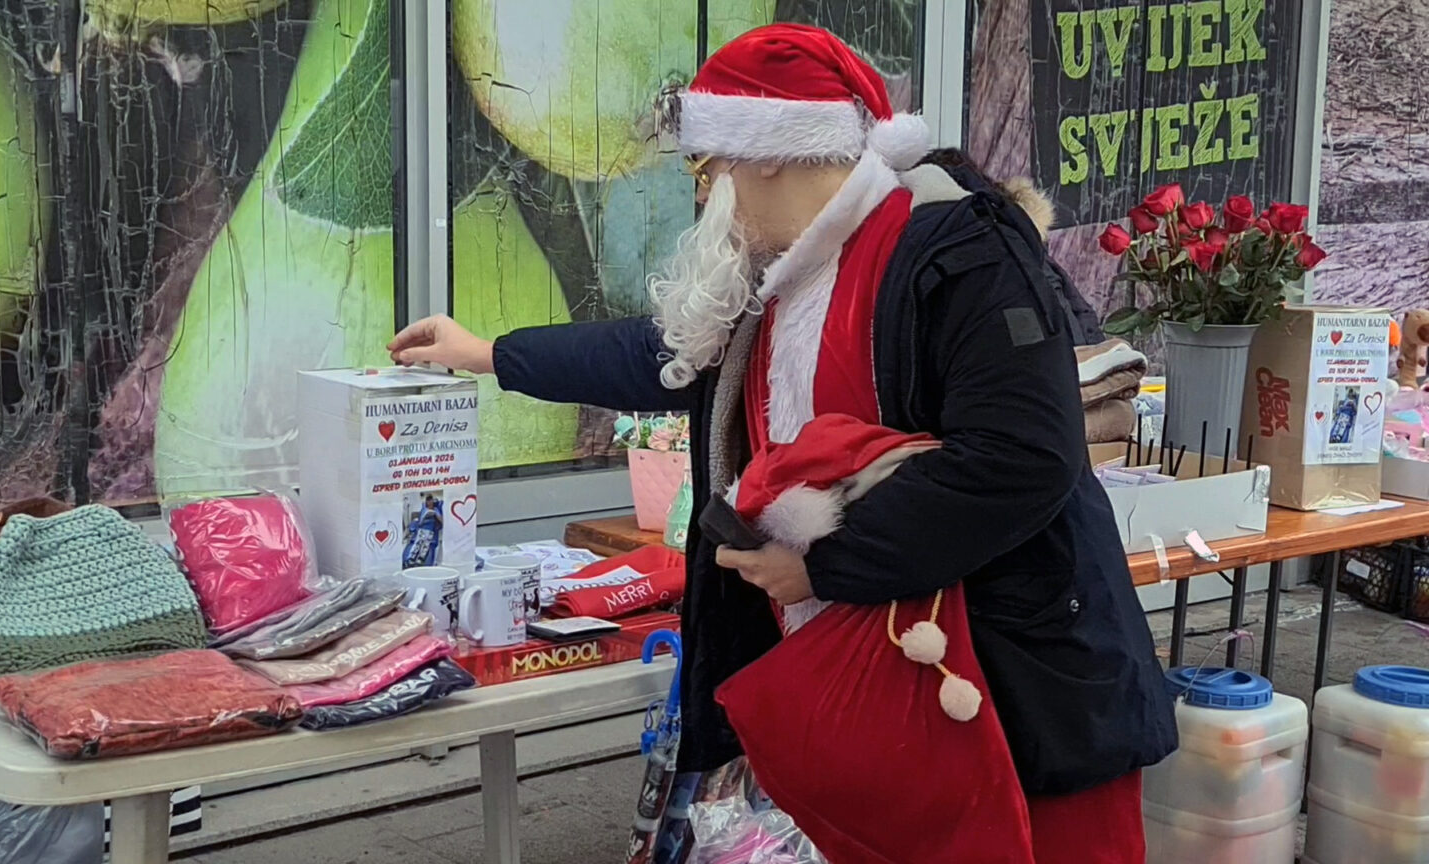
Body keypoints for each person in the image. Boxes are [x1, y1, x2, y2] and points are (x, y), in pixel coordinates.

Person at [390, 23, 1175, 863]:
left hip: (1019, 694)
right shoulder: (774, 277)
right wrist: (487, 355)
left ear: (764, 151)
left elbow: (1023, 457)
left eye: (706, 167)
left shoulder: (959, 248)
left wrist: (822, 568)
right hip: (882, 697)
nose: (702, 195)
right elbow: (649, 355)